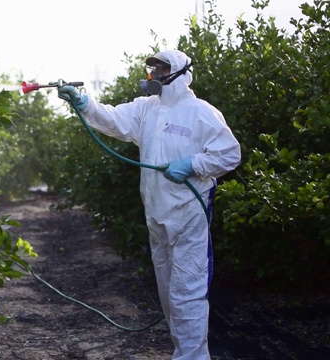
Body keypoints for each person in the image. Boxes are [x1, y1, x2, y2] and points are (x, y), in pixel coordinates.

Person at [58, 49, 241, 359]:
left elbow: (229, 153)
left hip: (188, 218)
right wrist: (84, 103)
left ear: (181, 74)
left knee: (187, 296)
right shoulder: (147, 109)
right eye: (153, 69)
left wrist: (193, 164)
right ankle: (183, 352)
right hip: (156, 216)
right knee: (169, 295)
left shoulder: (202, 113)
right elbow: (114, 119)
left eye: (162, 69)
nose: (155, 75)